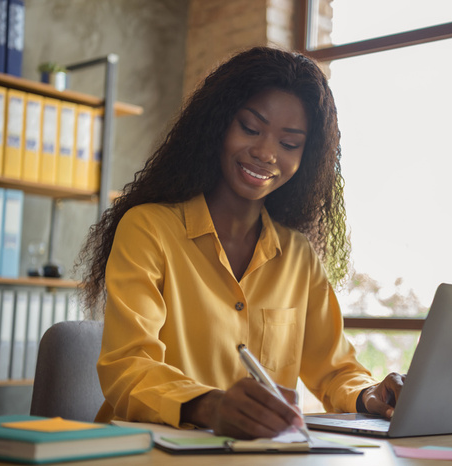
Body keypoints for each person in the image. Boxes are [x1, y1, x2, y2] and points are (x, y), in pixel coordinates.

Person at [77, 46, 404, 440]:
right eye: (250, 128)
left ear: (308, 157)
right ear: (216, 124)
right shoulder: (149, 229)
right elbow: (128, 367)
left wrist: (371, 395)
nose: (265, 153)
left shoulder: (298, 256)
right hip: (147, 453)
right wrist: (209, 405)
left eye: (289, 144)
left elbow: (334, 369)